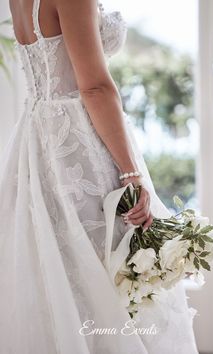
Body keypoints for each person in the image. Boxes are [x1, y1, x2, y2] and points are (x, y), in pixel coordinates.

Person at [0, 0, 198, 352]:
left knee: (60, 271)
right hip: (79, 145)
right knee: (112, 271)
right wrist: (132, 172)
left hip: (35, 142)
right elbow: (94, 87)